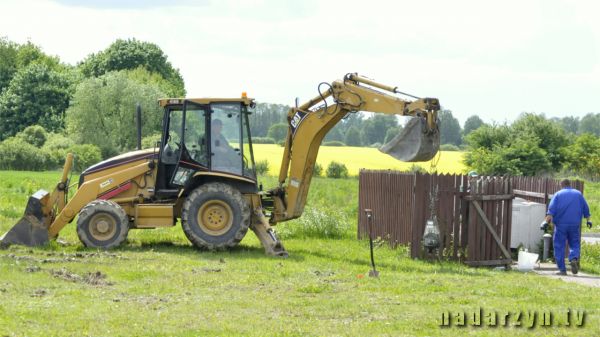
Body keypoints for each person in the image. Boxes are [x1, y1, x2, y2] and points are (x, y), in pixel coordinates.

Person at [541, 179, 592, 275]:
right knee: (574, 243)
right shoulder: (578, 194)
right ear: (570, 184)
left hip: (561, 225)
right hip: (574, 224)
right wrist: (588, 220)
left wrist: (545, 222)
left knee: (559, 246)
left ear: (562, 185)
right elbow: (586, 208)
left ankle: (562, 270)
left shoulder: (558, 194)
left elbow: (551, 211)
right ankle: (573, 258)